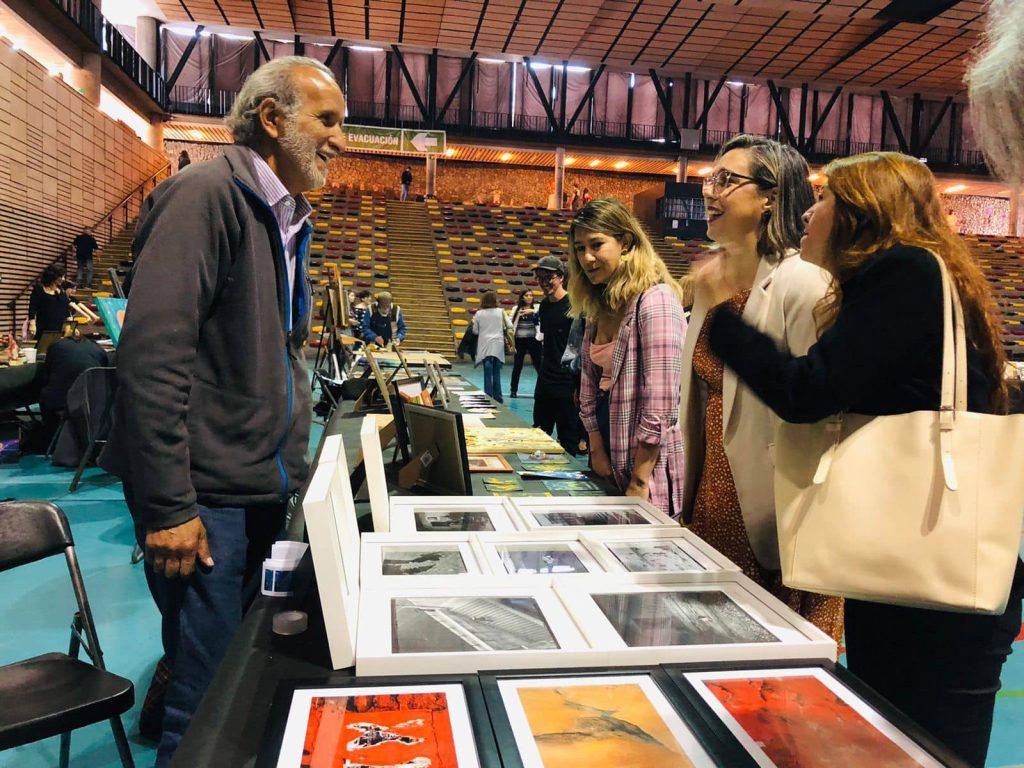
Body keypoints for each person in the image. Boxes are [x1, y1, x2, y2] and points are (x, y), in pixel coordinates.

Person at [701, 151, 1024, 767]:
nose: (808, 213)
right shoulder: (922, 276)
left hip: (935, 594)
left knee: (926, 751)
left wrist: (727, 319)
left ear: (859, 213)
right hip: (915, 571)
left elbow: (807, 393)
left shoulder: (906, 271)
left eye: (823, 199)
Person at [98, 56, 345, 766]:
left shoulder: (287, 216)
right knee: (204, 708)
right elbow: (152, 359)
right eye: (326, 120)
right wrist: (171, 506)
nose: (339, 138)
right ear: (273, 120)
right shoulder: (205, 196)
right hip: (205, 503)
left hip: (256, 489)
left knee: (239, 691)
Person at [679, 134, 842, 642]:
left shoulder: (804, 282)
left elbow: (818, 412)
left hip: (779, 506)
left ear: (771, 196)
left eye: (727, 180)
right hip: (712, 494)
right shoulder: (713, 282)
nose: (711, 191)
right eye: (711, 179)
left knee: (779, 667)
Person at [569, 198, 686, 517]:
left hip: (647, 466)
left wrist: (639, 479)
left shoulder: (656, 301)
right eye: (579, 249)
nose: (587, 258)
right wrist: (596, 449)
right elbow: (588, 388)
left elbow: (661, 404)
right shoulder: (598, 307)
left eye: (596, 245)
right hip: (608, 452)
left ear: (625, 242)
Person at [532, 255, 579, 453]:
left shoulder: (574, 306)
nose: (544, 283)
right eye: (540, 278)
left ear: (560, 277)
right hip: (545, 379)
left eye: (549, 277)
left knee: (568, 439)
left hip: (566, 382)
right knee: (538, 435)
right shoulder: (544, 305)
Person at [38, 323, 109, 444]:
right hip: (93, 401)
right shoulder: (98, 349)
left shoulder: (55, 346)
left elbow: (46, 374)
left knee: (44, 393)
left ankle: (49, 438)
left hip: (61, 400)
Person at [472, 291, 512, 403]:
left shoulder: (479, 313)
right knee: (497, 371)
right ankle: (498, 397)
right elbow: (510, 325)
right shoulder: (501, 312)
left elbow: (475, 331)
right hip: (498, 344)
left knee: (487, 372)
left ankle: (488, 397)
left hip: (485, 344)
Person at [509, 289, 542, 397]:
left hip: (534, 340)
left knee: (538, 365)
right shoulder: (516, 309)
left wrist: (531, 311)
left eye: (531, 295)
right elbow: (510, 323)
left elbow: (543, 314)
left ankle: (542, 390)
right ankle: (513, 390)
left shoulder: (537, 308)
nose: (529, 297)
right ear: (522, 297)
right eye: (526, 295)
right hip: (520, 340)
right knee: (517, 365)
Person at [28, 264, 72, 340]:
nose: (63, 279)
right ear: (53, 276)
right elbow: (33, 307)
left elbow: (66, 310)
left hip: (59, 327)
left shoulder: (61, 292)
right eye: (61, 276)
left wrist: (71, 326)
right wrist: (32, 324)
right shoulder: (39, 290)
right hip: (44, 326)